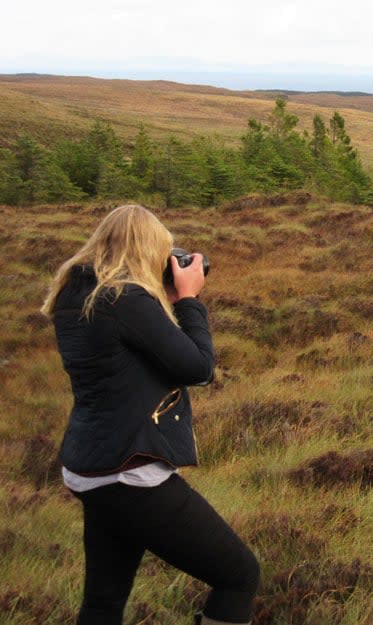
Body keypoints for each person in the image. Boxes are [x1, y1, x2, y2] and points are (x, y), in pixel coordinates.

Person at [41, 204, 259, 625]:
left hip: (93, 468)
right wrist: (190, 301)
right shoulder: (126, 299)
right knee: (240, 576)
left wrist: (167, 300)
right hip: (131, 473)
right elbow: (198, 368)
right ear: (149, 252)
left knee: (104, 602)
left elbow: (131, 353)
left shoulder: (77, 294)